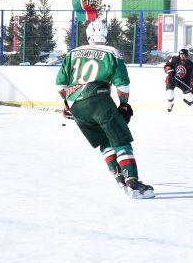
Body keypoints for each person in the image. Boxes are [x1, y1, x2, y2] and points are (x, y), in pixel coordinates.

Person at [55, 19, 154, 198]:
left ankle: (118, 176)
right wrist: (123, 105)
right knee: (121, 139)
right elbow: (122, 85)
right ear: (106, 34)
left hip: (77, 105)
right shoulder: (112, 53)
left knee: (105, 141)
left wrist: (67, 105)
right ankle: (133, 182)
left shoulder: (73, 53)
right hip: (99, 100)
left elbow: (60, 86)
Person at [163, 48, 193, 114]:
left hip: (184, 82)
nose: (182, 56)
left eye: (184, 55)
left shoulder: (191, 65)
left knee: (190, 96)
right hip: (172, 79)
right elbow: (166, 65)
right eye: (181, 55)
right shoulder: (174, 59)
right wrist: (170, 70)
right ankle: (171, 103)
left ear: (187, 55)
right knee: (169, 93)